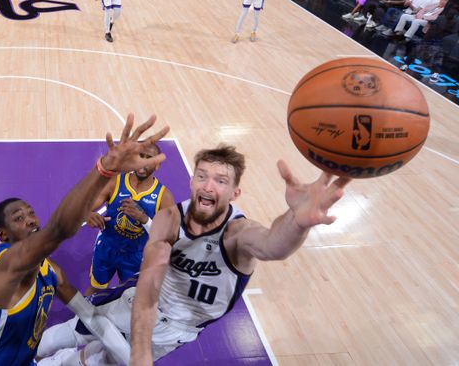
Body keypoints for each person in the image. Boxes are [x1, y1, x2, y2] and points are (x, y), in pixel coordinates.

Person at [37, 146, 350, 365]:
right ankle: (28, 353)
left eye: (221, 180)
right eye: (202, 176)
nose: (208, 185)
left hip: (176, 329)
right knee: (67, 334)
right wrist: (141, 357)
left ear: (235, 193)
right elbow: (148, 291)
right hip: (138, 302)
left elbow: (273, 245)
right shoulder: (170, 217)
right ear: (191, 180)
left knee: (95, 361)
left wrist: (296, 222)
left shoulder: (237, 234)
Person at [0, 115, 168, 366]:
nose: (30, 220)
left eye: (30, 212)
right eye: (18, 218)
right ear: (2, 235)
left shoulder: (51, 271)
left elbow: (91, 316)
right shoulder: (9, 267)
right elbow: (59, 229)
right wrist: (105, 169)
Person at [85, 143, 175, 294]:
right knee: (95, 289)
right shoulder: (115, 182)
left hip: (136, 255)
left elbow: (169, 237)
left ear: (157, 165)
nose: (144, 162)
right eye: (141, 156)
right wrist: (86, 213)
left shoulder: (164, 196)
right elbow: (86, 205)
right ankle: (82, 317)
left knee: (127, 295)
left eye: (149, 158)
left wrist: (144, 219)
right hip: (107, 247)